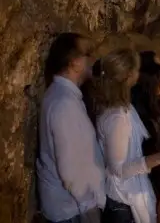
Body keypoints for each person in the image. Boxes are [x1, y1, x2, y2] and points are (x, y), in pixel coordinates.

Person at [94, 48, 160, 223]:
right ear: (128, 76)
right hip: (122, 201)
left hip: (124, 197)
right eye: (136, 69)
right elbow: (119, 169)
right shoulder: (117, 117)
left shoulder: (120, 108)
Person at [37, 33, 105, 223]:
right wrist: (89, 208)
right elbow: (71, 168)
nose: (93, 59)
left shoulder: (64, 97)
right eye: (88, 54)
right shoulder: (63, 103)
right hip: (72, 210)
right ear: (75, 62)